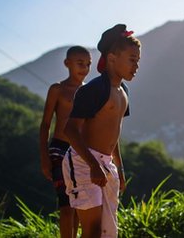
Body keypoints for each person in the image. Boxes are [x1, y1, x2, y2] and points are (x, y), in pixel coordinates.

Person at [63, 24, 140, 238]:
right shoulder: (94, 89)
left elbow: (113, 135)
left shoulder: (123, 92)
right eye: (132, 59)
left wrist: (120, 169)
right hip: (82, 161)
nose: (136, 66)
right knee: (93, 230)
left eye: (138, 61)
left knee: (107, 230)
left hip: (105, 164)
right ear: (113, 58)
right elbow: (70, 129)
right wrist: (93, 164)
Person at [39, 45, 91, 238]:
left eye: (88, 64)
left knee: (79, 205)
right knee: (66, 205)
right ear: (67, 64)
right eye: (80, 63)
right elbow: (45, 124)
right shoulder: (57, 89)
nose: (84, 68)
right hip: (58, 150)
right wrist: (44, 157)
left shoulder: (89, 92)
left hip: (80, 152)